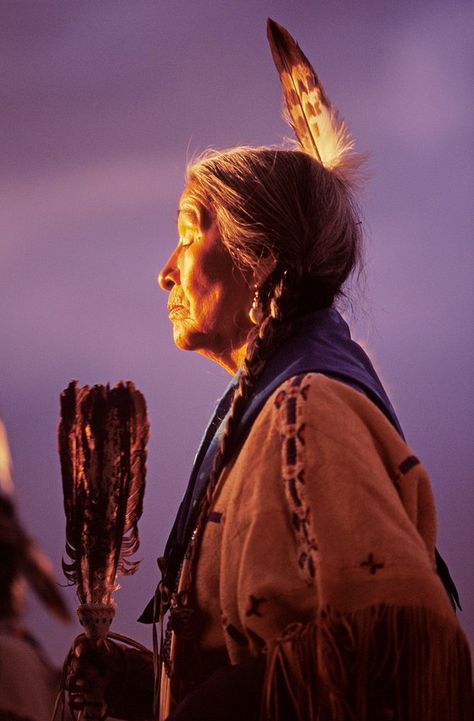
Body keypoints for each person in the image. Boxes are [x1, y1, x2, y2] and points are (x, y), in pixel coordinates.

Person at [67, 20, 473, 721]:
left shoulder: (308, 411)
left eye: (192, 230)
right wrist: (151, 690)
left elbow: (391, 650)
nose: (166, 269)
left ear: (260, 257)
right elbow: (265, 651)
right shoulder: (265, 419)